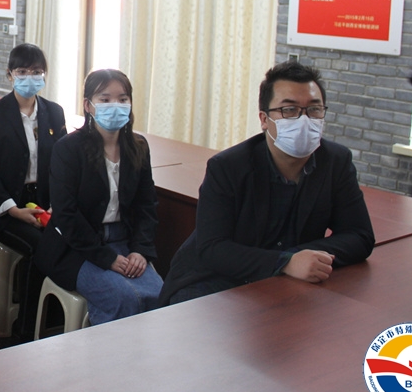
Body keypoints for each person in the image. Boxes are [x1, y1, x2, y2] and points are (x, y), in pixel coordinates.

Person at [159, 61, 376, 306]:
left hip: (283, 282)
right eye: (289, 110)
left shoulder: (336, 161)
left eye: (314, 110)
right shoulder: (228, 166)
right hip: (214, 279)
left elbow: (360, 236)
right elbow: (213, 249)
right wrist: (285, 262)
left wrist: (298, 259)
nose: (304, 119)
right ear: (264, 119)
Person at [35, 69, 163, 325]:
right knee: (124, 298)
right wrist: (107, 258)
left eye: (122, 99)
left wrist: (140, 250)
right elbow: (66, 214)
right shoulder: (68, 149)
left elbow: (146, 205)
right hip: (75, 248)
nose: (115, 105)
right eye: (105, 99)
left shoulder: (139, 147)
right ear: (88, 105)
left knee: (161, 296)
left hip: (125, 241)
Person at [0, 43, 66, 337]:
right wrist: (13, 209)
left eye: (37, 71)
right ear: (10, 74)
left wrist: (55, 204)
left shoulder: (54, 113)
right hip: (2, 206)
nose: (30, 77)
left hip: (44, 203)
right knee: (40, 247)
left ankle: (54, 319)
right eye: (22, 71)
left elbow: (62, 165)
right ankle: (25, 331)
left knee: (68, 239)